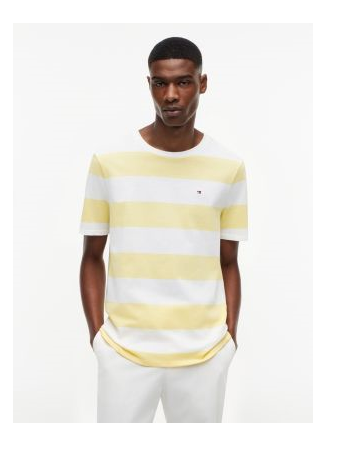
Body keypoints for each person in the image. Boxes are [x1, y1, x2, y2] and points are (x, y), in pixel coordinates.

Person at [79, 37, 248, 423]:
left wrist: (229, 339)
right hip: (124, 353)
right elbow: (91, 256)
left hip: (204, 355)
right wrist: (99, 339)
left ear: (202, 83)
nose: (171, 95)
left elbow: (229, 262)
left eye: (183, 82)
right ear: (150, 84)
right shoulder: (109, 161)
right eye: (160, 83)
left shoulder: (228, 167)